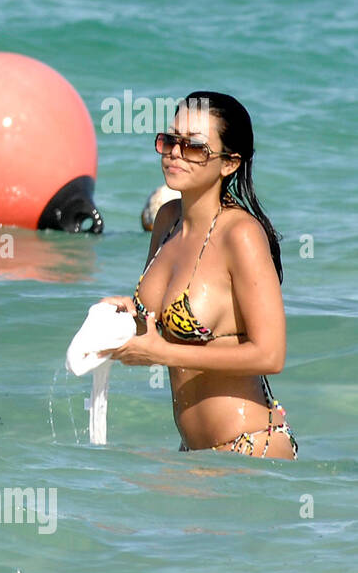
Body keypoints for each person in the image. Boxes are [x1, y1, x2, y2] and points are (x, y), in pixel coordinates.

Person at [97, 92, 297, 459]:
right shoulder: (167, 221)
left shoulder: (241, 235)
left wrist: (162, 352)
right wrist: (129, 315)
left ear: (229, 164)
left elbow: (271, 354)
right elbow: (161, 326)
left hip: (250, 448)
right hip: (195, 453)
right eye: (170, 140)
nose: (175, 152)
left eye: (194, 147)